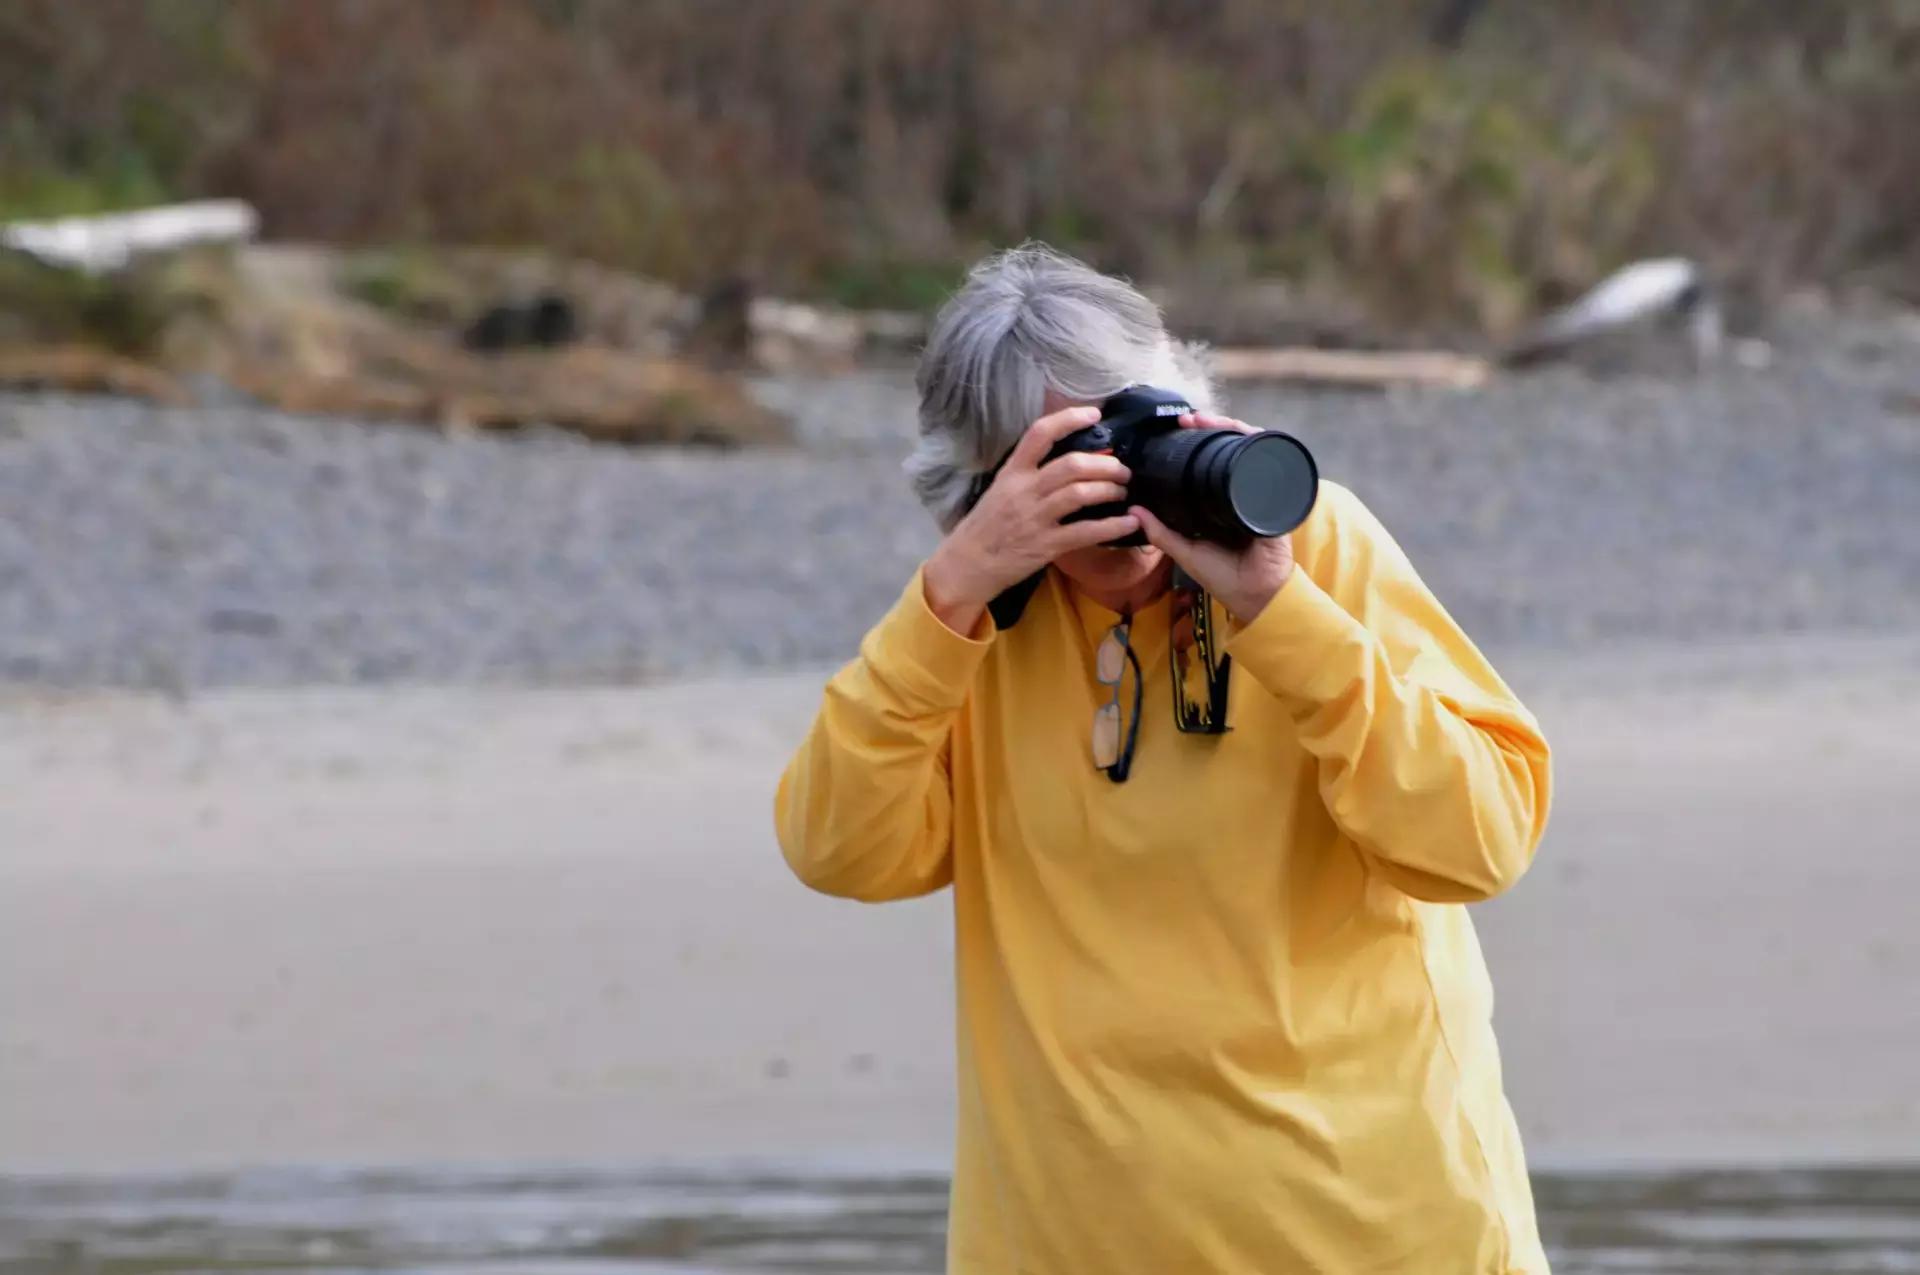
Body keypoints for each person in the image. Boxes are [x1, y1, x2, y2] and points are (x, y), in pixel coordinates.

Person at [774, 243, 1553, 1274]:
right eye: (1064, 464)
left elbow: (1478, 846)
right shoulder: (972, 628)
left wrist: (1282, 615)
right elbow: (843, 851)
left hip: (1372, 1234)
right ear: (983, 485)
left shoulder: (1317, 550)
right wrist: (947, 601)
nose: (1116, 496)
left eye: (1135, 441)